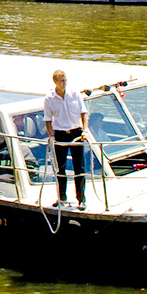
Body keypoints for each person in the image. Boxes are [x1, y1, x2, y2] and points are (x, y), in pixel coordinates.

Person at [43, 69, 89, 210]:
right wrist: (51, 136)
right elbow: (48, 120)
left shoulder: (75, 94)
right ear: (55, 82)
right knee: (60, 168)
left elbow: (84, 114)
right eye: (61, 81)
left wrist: (85, 130)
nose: (64, 83)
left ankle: (81, 199)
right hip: (60, 134)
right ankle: (62, 197)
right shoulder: (49, 98)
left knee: (79, 167)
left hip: (76, 133)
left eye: (65, 80)